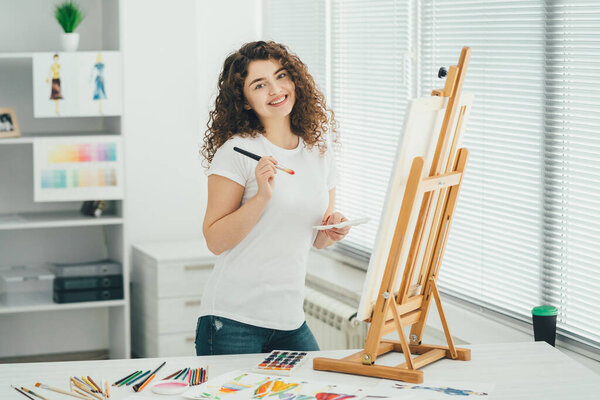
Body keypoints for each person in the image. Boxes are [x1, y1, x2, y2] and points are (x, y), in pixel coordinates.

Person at [196, 41, 350, 355]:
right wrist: (262, 196)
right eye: (260, 85)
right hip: (232, 321)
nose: (276, 90)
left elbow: (316, 238)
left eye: (281, 76)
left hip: (290, 320)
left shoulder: (319, 148)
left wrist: (332, 229)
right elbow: (215, 240)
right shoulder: (237, 152)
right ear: (246, 101)